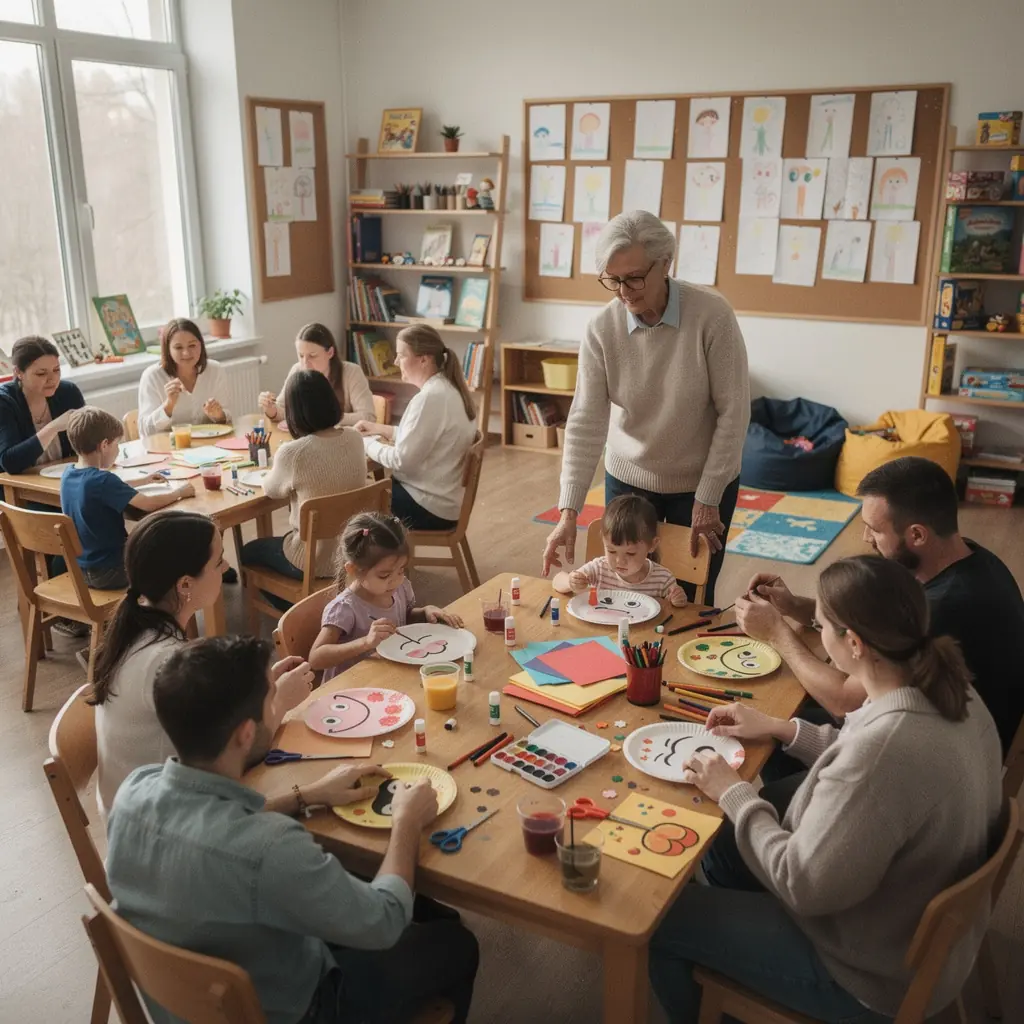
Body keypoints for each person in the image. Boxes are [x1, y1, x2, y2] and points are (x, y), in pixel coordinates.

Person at [649, 555, 1002, 1023]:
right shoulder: (951, 685)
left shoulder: (882, 754)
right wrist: (781, 729)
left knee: (658, 920)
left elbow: (801, 883)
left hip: (865, 973)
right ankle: (740, 958)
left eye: (820, 628)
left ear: (853, 643)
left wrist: (733, 792)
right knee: (727, 842)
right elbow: (866, 755)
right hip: (907, 921)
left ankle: (735, 997)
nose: (816, 637)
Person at [105, 634, 480, 1024]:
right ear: (245, 734)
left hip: (185, 1004)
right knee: (458, 944)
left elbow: (212, 823)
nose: (278, 705)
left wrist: (307, 795)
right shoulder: (270, 849)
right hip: (302, 1009)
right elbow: (384, 920)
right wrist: (405, 821)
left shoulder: (133, 793)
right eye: (272, 699)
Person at [737, 455, 1024, 755]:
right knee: (783, 710)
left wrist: (775, 633)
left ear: (916, 534)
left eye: (874, 529)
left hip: (938, 761)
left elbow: (844, 701)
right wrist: (796, 606)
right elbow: (879, 623)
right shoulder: (973, 559)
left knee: (770, 730)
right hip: (937, 729)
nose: (866, 538)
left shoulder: (941, 608)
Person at [541, 211, 750, 606]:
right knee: (623, 591)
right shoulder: (602, 329)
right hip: (630, 474)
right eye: (613, 280)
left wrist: (707, 498)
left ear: (666, 263)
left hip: (701, 481)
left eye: (634, 277)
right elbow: (586, 421)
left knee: (685, 597)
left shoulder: (712, 315)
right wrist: (568, 512)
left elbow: (734, 414)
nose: (624, 292)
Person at [90, 512, 311, 818]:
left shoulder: (138, 633)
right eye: (219, 561)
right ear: (185, 585)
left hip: (149, 807)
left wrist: (261, 690)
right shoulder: (164, 660)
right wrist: (282, 701)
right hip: (161, 826)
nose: (227, 567)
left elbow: (215, 720)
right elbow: (236, 752)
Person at [241, 370, 366, 601]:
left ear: (293, 412)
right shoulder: (355, 438)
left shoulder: (294, 453)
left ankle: (293, 608)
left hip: (312, 561)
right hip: (353, 553)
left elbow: (271, 489)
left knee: (248, 551)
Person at [309, 511, 463, 683]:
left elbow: (402, 618)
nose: (396, 581)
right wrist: (366, 642)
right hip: (354, 688)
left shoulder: (399, 588)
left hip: (391, 675)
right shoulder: (345, 608)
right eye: (384, 576)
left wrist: (425, 612)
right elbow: (316, 658)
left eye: (401, 570)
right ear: (353, 570)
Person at [353, 325, 475, 531]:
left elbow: (402, 461)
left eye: (401, 355)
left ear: (424, 359)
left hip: (428, 507)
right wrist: (382, 429)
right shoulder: (446, 388)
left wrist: (365, 443)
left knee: (347, 498)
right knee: (365, 491)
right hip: (444, 501)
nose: (395, 362)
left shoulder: (429, 398)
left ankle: (368, 560)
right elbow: (426, 436)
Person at [60, 407, 195, 590]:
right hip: (112, 571)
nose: (118, 450)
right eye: (117, 445)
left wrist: (144, 480)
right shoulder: (102, 480)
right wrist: (179, 492)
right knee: (168, 551)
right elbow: (148, 504)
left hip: (82, 571)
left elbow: (106, 488)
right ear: (104, 445)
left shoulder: (69, 474)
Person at [552, 493, 688, 605]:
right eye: (611, 551)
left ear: (652, 545)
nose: (620, 561)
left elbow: (678, 608)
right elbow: (557, 580)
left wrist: (678, 599)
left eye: (630, 553)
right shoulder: (599, 568)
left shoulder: (662, 579)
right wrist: (570, 581)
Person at [259, 322, 375, 429]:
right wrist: (271, 409)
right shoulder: (297, 370)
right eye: (301, 355)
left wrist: (325, 417)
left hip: (340, 440)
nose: (305, 363)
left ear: (330, 352)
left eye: (313, 356)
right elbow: (283, 410)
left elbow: (368, 417)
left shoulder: (351, 373)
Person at [0, 335, 84, 474]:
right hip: (19, 487)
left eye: (56, 370)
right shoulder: (4, 402)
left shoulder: (68, 392)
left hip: (63, 478)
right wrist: (54, 427)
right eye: (41, 373)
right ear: (18, 372)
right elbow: (9, 462)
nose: (52, 379)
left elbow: (87, 444)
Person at [137, 317, 231, 436]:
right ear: (168, 350)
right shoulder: (152, 377)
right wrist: (168, 406)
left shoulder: (215, 370)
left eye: (192, 346)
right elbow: (145, 432)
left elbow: (227, 420)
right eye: (178, 347)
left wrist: (219, 415)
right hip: (167, 449)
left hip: (209, 447)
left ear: (201, 345)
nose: (186, 353)